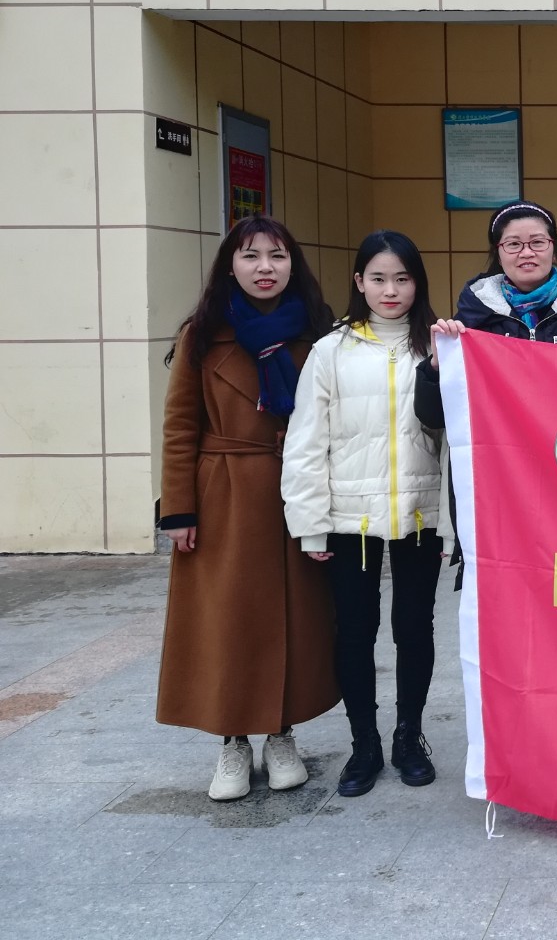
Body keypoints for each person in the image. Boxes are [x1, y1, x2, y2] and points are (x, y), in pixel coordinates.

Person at [156, 216, 338, 802]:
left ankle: (282, 734)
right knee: (228, 619)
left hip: (296, 492)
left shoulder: (319, 330)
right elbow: (180, 426)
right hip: (225, 494)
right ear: (229, 266)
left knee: (295, 618)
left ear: (293, 265)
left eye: (277, 256)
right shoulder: (203, 333)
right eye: (251, 256)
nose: (265, 268)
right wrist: (179, 510)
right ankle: (232, 741)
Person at [281, 231, 448, 798]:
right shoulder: (331, 350)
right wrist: (309, 524)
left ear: (417, 283)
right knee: (354, 631)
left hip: (421, 512)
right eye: (378, 278)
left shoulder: (440, 345)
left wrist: (456, 525)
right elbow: (306, 441)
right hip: (348, 518)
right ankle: (364, 744)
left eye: (402, 278)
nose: (390, 290)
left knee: (414, 628)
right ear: (359, 282)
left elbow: (460, 438)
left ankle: (408, 737)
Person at [416, 199, 557, 426]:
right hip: (498, 447)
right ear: (498, 254)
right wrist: (436, 367)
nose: (527, 252)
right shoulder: (471, 321)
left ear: (554, 250)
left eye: (537, 242)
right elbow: (433, 417)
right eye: (513, 244)